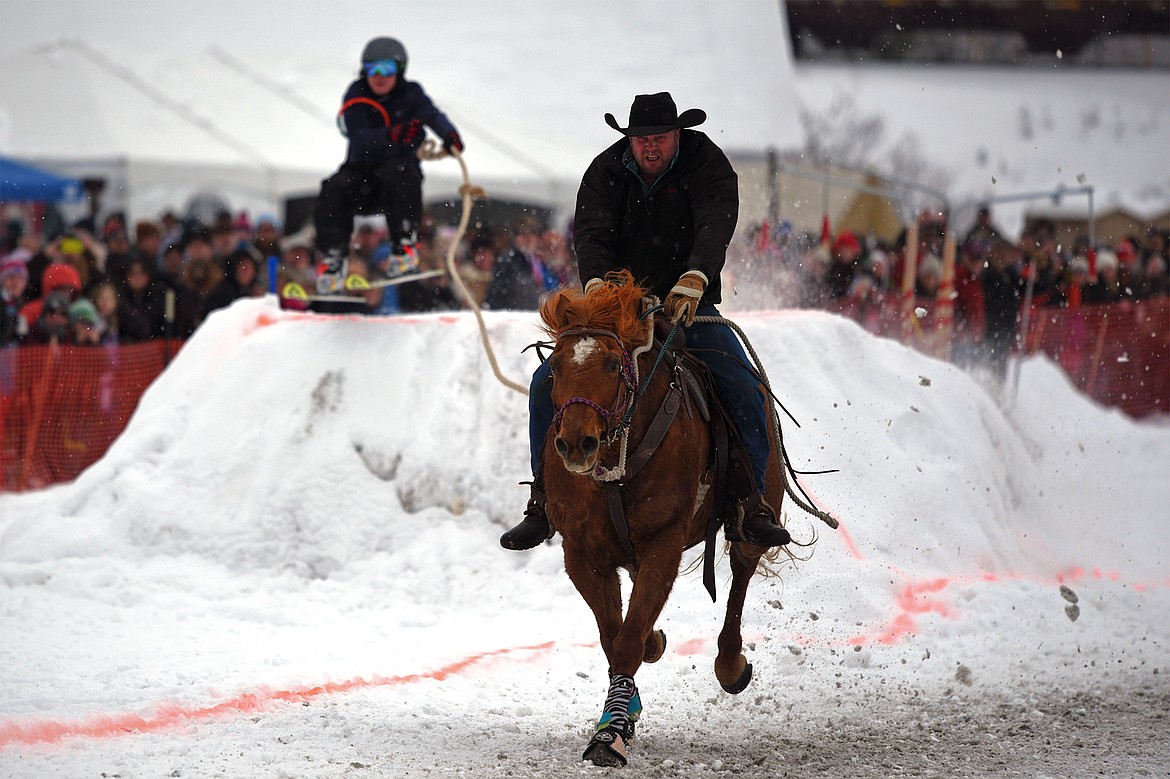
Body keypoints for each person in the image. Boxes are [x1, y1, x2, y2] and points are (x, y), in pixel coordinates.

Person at [500, 92, 790, 552]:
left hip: (687, 304)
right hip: (617, 311)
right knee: (543, 383)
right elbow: (591, 232)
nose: (649, 147)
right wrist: (597, 285)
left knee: (741, 381)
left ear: (678, 135)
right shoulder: (604, 171)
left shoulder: (707, 164)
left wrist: (695, 277)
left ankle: (751, 503)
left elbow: (716, 222)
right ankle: (543, 501)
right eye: (640, 139)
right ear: (629, 141)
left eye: (659, 137)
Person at [312, 36, 464, 293]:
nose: (379, 76)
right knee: (333, 187)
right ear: (364, 71)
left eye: (387, 69)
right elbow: (358, 135)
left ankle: (404, 246)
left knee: (401, 172)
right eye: (373, 69)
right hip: (361, 178)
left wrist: (449, 135)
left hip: (396, 185)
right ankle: (333, 260)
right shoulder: (356, 93)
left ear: (400, 71)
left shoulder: (411, 93)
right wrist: (391, 134)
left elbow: (432, 114)